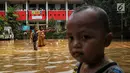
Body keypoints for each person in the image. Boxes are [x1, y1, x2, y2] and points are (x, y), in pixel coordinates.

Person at [66, 5, 123, 73]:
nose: (75, 44)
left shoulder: (112, 71)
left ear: (106, 40)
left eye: (85, 37)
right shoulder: (78, 65)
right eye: (71, 38)